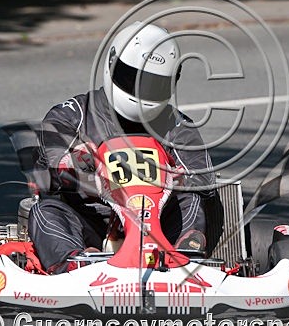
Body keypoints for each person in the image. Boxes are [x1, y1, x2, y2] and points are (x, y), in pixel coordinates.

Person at [29, 21, 214, 274]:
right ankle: (76, 264)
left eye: (153, 84)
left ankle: (185, 258)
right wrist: (85, 171)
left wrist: (175, 181)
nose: (142, 91)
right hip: (92, 223)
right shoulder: (71, 115)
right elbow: (52, 164)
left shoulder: (177, 125)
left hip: (158, 228)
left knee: (191, 201)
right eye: (133, 79)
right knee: (46, 209)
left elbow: (204, 179)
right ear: (113, 65)